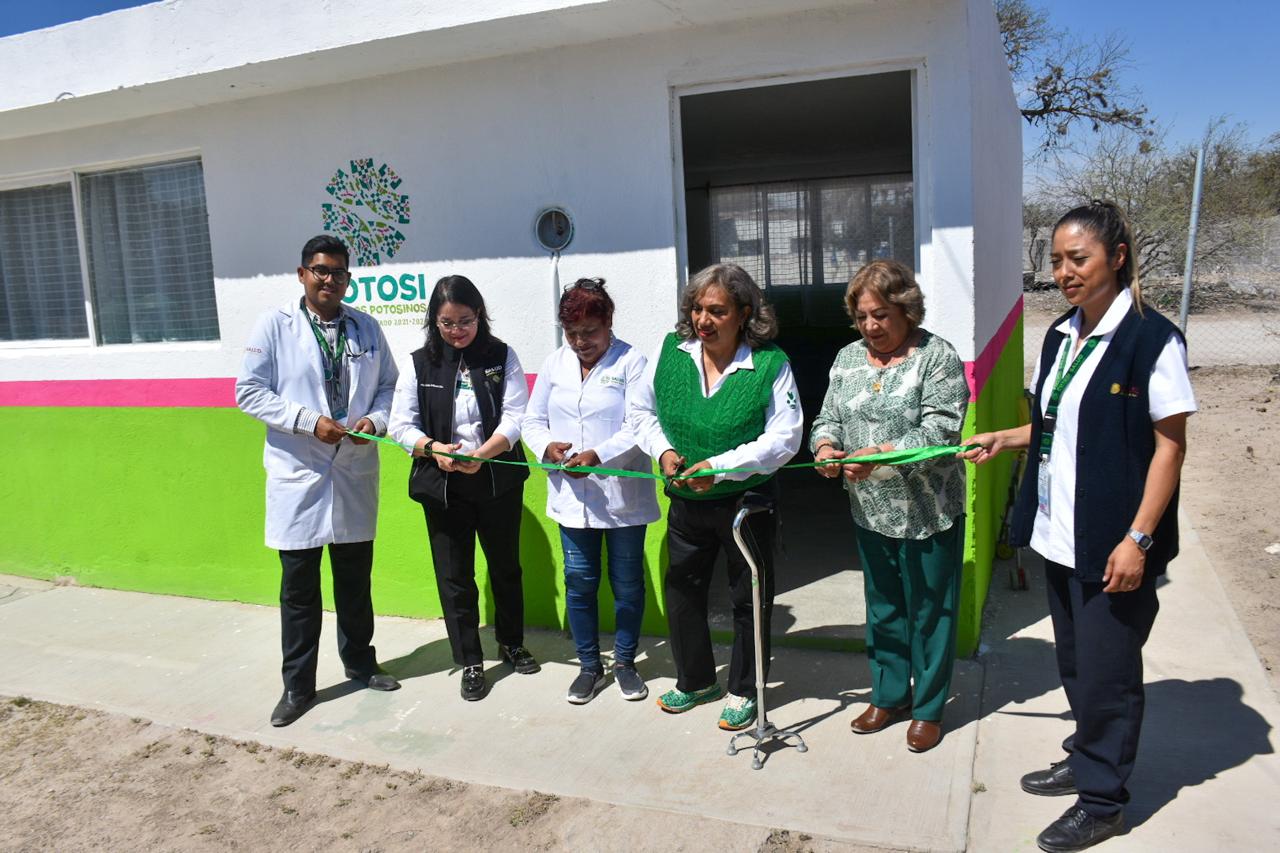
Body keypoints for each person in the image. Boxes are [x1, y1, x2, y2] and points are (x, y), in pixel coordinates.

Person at [964, 201, 1195, 852]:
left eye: (1078, 258)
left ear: (1116, 257)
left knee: (1110, 674)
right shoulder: (1061, 335)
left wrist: (1139, 538)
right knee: (1076, 661)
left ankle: (1102, 800)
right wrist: (1002, 439)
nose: (1063, 271)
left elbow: (1170, 447)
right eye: (1056, 260)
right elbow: (1052, 424)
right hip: (1058, 535)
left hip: (1114, 542)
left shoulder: (1153, 339)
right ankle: (1085, 752)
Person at [236, 234, 401, 728]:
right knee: (300, 589)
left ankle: (360, 663)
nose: (330, 280)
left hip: (352, 469)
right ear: (302, 273)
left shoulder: (366, 327)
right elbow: (249, 392)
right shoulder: (274, 325)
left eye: (339, 272)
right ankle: (298, 687)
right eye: (321, 270)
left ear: (348, 278)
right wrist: (309, 421)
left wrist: (374, 422)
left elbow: (391, 386)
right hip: (299, 473)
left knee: (355, 580)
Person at [632, 263, 802, 731]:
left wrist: (722, 468)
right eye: (697, 309)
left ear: (744, 313)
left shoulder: (770, 363)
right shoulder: (672, 353)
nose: (703, 319)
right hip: (686, 501)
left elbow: (785, 437)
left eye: (717, 310)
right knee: (683, 589)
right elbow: (640, 411)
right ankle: (696, 680)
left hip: (746, 506)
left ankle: (746, 689)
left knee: (748, 596)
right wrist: (664, 451)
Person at [810, 260, 969, 754]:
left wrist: (877, 455)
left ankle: (928, 708)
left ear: (905, 309)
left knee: (930, 609)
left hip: (928, 510)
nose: (871, 327)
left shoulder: (937, 357)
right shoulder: (847, 359)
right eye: (862, 317)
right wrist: (824, 447)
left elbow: (940, 432)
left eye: (880, 315)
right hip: (870, 508)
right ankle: (889, 693)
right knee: (882, 608)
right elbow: (828, 416)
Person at [390, 275, 539, 702]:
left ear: (480, 316)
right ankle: (470, 660)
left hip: (496, 481)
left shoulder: (500, 356)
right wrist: (433, 449)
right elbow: (401, 425)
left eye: (466, 321)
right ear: (434, 322)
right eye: (447, 323)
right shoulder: (420, 363)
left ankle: (511, 642)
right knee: (455, 577)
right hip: (443, 488)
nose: (457, 331)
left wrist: (484, 454)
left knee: (506, 568)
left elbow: (515, 416)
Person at [522, 278, 660, 704]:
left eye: (590, 332)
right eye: (572, 333)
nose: (581, 342)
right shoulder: (554, 364)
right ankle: (587, 665)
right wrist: (547, 446)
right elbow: (532, 419)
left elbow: (639, 426)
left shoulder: (632, 362)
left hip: (622, 496)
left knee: (627, 583)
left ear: (609, 323)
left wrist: (597, 455)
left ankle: (624, 662)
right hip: (571, 495)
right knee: (579, 581)